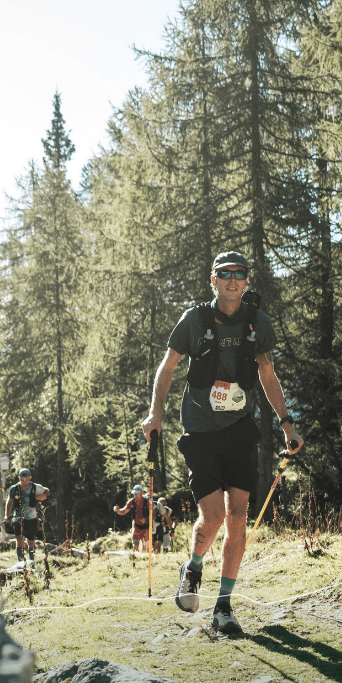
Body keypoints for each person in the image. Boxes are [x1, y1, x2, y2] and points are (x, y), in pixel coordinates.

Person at [141, 250, 303, 636]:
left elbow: (267, 372)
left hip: (240, 428)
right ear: (212, 280)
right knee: (212, 517)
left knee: (237, 517)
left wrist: (287, 424)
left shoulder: (257, 323)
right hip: (199, 429)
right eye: (224, 274)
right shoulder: (194, 321)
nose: (233, 280)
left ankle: (224, 607)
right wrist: (155, 413)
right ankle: (193, 566)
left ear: (247, 281)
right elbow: (167, 368)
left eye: (240, 274)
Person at [6, 469, 50, 565]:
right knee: (19, 540)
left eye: (26, 480)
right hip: (18, 517)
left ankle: (31, 562)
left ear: (30, 478)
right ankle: (20, 563)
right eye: (22, 480)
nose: (24, 482)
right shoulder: (14, 489)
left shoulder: (35, 487)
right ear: (19, 478)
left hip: (32, 518)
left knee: (31, 541)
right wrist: (7, 515)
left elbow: (47, 491)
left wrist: (43, 496)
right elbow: (9, 502)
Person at [113, 485, 151, 552]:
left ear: (142, 492)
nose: (135, 495)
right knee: (135, 544)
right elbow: (124, 511)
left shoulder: (147, 502)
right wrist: (117, 510)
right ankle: (135, 558)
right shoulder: (131, 502)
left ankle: (145, 559)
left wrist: (146, 519)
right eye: (134, 493)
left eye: (137, 493)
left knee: (146, 547)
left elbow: (153, 516)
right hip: (136, 525)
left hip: (146, 527)